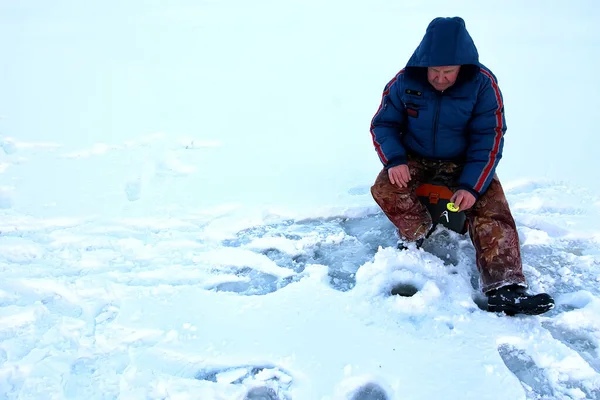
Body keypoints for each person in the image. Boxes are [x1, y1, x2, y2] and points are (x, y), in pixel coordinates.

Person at [369, 16, 554, 316]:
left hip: (463, 162)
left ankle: (506, 287)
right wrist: (396, 160)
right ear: (424, 64)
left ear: (462, 67)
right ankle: (420, 231)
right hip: (416, 158)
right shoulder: (404, 82)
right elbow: (383, 125)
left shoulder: (483, 85)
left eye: (448, 72)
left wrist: (471, 185)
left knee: (491, 206)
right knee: (385, 188)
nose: (440, 78)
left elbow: (489, 139)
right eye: (435, 71)